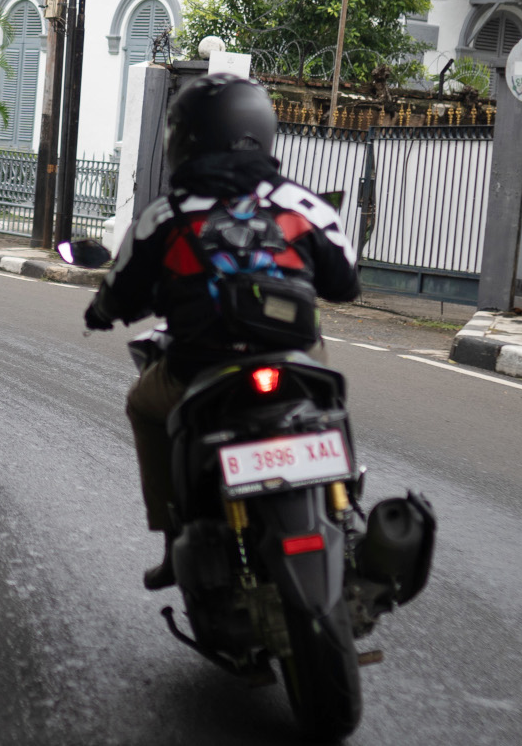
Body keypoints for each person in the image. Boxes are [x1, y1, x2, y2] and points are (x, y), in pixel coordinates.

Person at [82, 74, 361, 590]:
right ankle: (345, 507)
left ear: (186, 138)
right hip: (292, 357)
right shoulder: (306, 206)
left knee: (143, 404)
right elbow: (345, 283)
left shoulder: (165, 213)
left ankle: (172, 540)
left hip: (199, 365)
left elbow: (120, 289)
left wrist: (100, 312)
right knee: (326, 402)